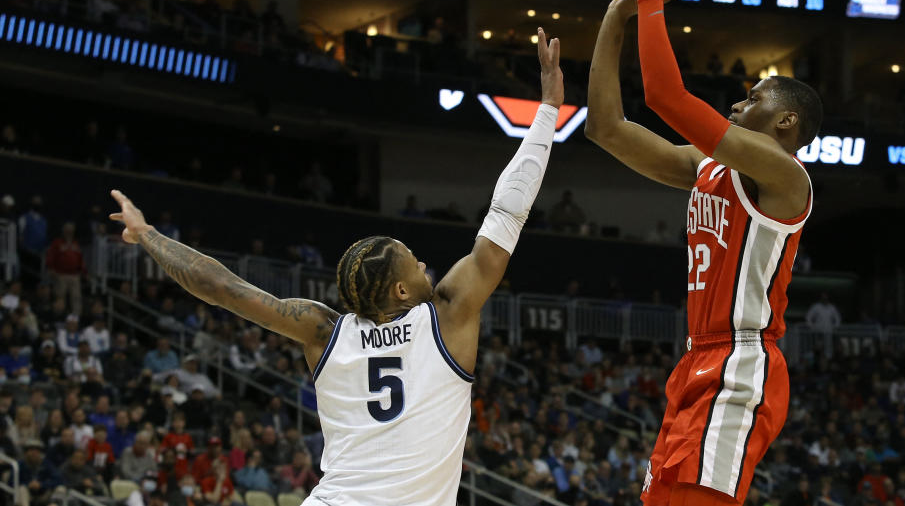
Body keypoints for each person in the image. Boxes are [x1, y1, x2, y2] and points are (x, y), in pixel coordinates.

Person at [107, 27, 565, 506]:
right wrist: (547, 109)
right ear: (402, 293)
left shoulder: (324, 331)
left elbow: (220, 287)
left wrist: (149, 236)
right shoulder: (448, 317)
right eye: (414, 263)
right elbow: (506, 213)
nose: (425, 264)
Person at [585, 0, 822, 506]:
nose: (743, 101)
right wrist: (616, 18)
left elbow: (665, 95)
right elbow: (606, 128)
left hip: (741, 364)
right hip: (694, 362)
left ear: (787, 120)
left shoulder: (785, 176)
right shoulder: (706, 166)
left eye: (756, 96)